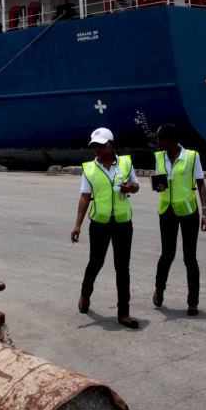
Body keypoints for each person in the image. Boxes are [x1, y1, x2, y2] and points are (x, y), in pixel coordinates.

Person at [70, 127, 140, 329]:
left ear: (111, 144)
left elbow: (136, 185)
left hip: (123, 223)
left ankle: (124, 313)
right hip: (99, 224)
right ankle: (85, 295)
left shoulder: (126, 163)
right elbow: (85, 197)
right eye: (94, 146)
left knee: (122, 268)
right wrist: (77, 225)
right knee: (95, 262)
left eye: (100, 146)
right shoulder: (89, 168)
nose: (97, 150)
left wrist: (130, 188)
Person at [151, 123, 206, 316]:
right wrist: (158, 186)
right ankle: (159, 289)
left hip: (188, 212)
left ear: (170, 140)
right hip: (166, 211)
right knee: (167, 254)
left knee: (189, 257)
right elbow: (159, 180)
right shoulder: (159, 157)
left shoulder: (192, 157)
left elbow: (200, 183)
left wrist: (205, 213)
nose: (157, 142)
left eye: (159, 138)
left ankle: (193, 302)